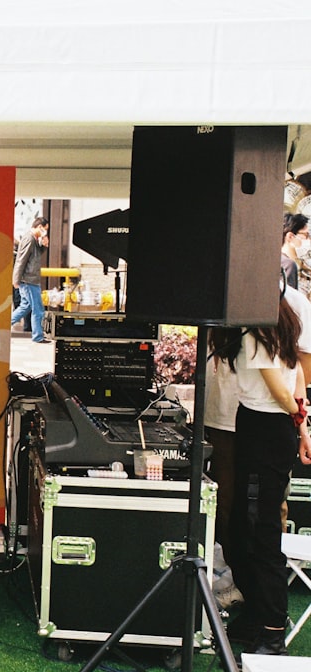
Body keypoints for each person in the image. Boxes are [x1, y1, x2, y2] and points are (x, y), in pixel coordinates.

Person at [218, 288, 311, 657]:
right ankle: (260, 618)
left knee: (259, 528)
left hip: (265, 426)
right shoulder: (280, 323)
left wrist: (298, 421)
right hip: (271, 428)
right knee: (246, 526)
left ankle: (272, 631)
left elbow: (280, 387)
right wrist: (302, 428)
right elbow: (298, 379)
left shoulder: (258, 328)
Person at [11, 217, 49, 343]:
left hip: (31, 279)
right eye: (45, 229)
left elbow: (37, 253)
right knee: (38, 309)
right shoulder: (29, 238)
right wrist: (16, 279)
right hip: (29, 280)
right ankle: (38, 336)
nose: (45, 232)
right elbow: (21, 259)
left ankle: (2, 325)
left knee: (25, 307)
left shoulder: (35, 239)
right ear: (39, 227)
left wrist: (44, 243)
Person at [281, 213, 310, 292]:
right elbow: (288, 301)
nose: (309, 240)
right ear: (290, 236)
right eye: (306, 235)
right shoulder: (288, 265)